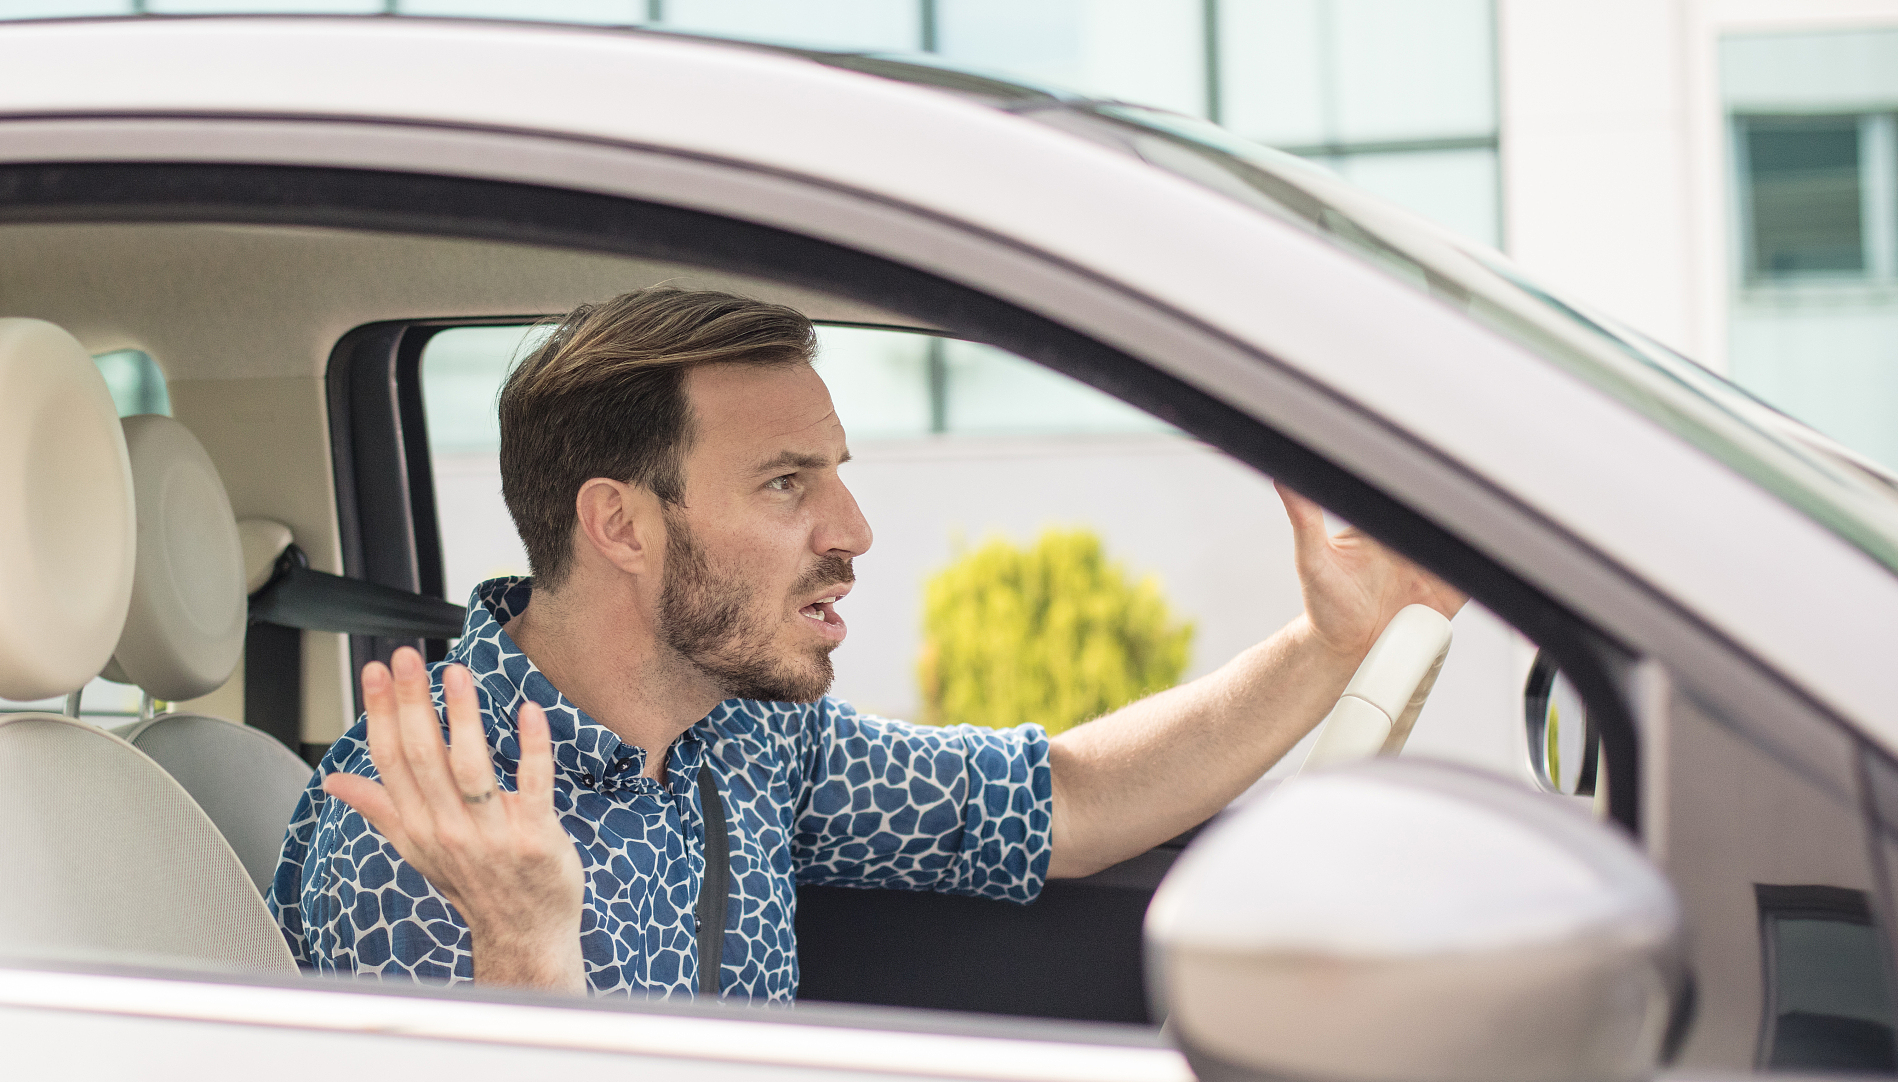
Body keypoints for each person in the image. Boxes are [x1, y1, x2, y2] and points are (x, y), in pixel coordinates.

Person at [269, 287, 1465, 998]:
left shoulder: (737, 735)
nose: (853, 531)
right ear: (620, 524)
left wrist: (1328, 642)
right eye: (788, 484)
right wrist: (524, 942)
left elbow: (1066, 801)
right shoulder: (421, 821)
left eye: (836, 475)